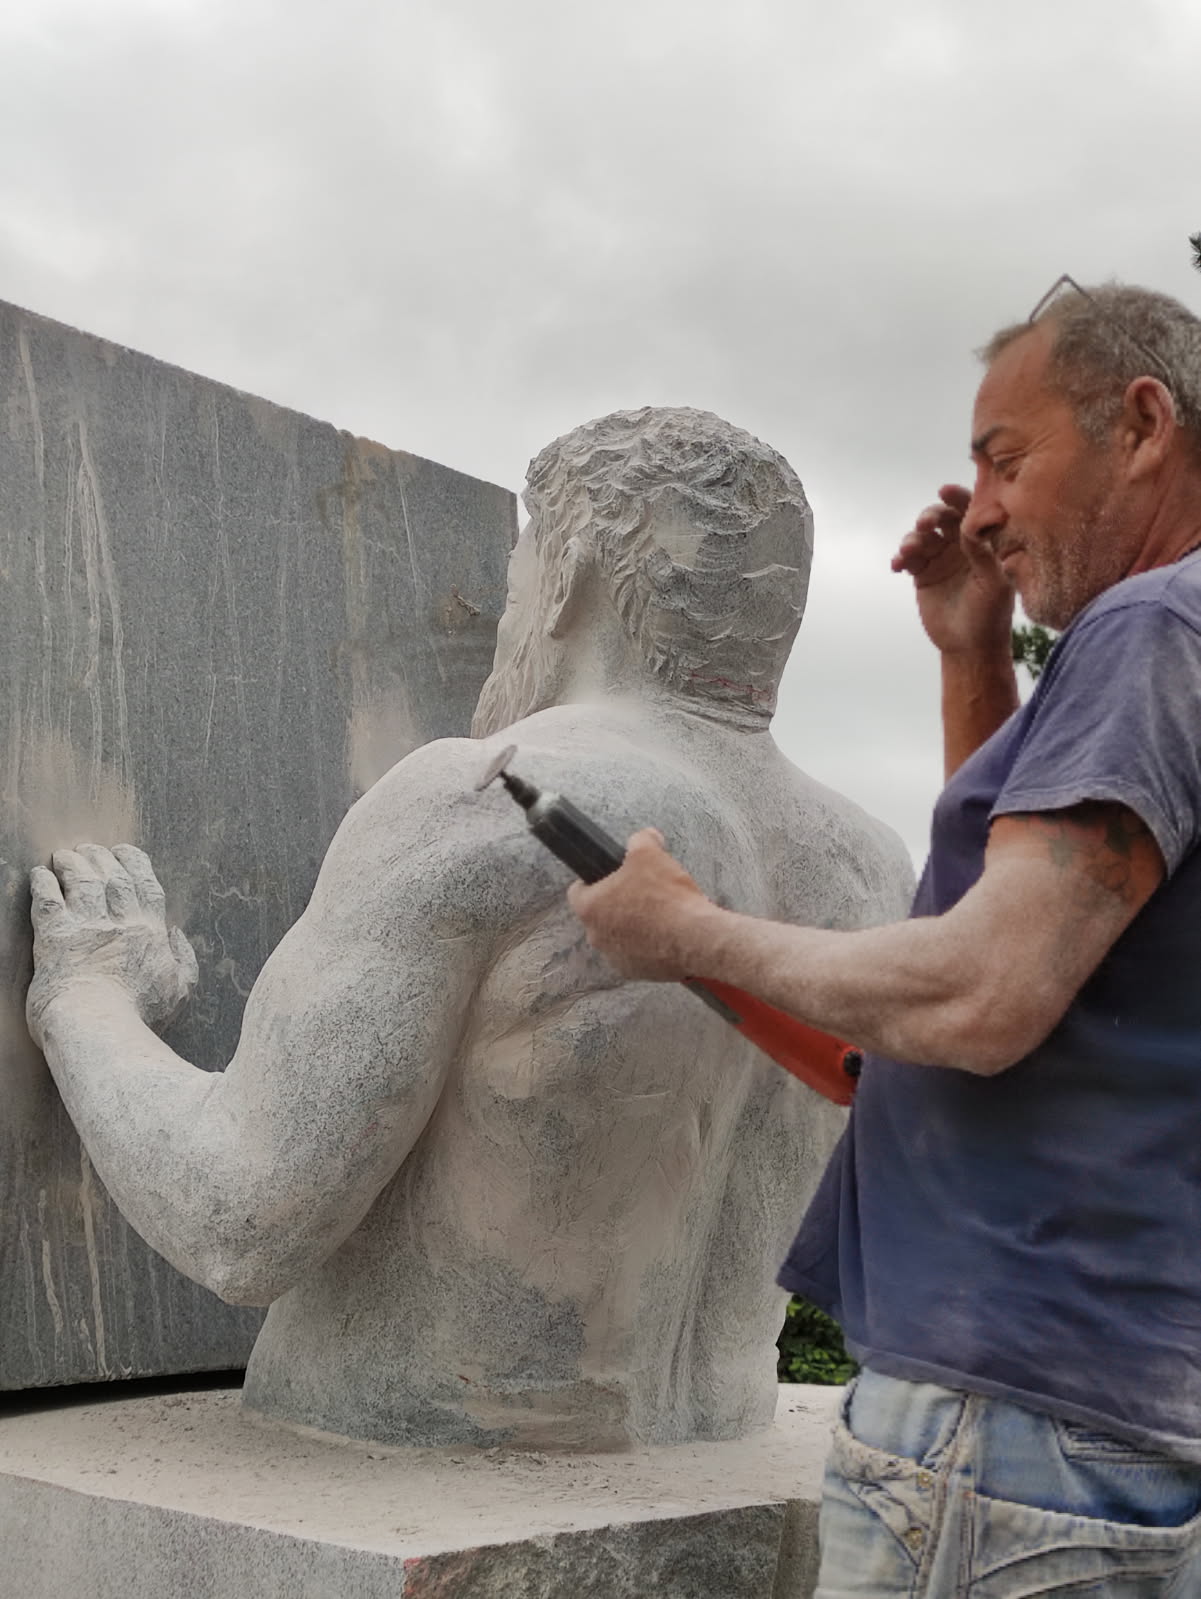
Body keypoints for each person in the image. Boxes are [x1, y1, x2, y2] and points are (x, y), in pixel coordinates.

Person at [25, 406, 912, 1451]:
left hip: (417, 1449)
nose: (507, 610)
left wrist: (85, 996)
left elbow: (242, 1218)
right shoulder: (868, 870)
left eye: (520, 569)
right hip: (717, 1434)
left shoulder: (494, 794)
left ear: (570, 575)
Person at [570, 284, 1201, 1593]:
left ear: (1141, 423)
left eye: (1005, 458)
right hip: (1093, 1405)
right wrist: (972, 656)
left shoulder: (1154, 625)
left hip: (1006, 1428)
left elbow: (985, 992)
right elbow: (1048, 944)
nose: (976, 510)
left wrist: (684, 924)